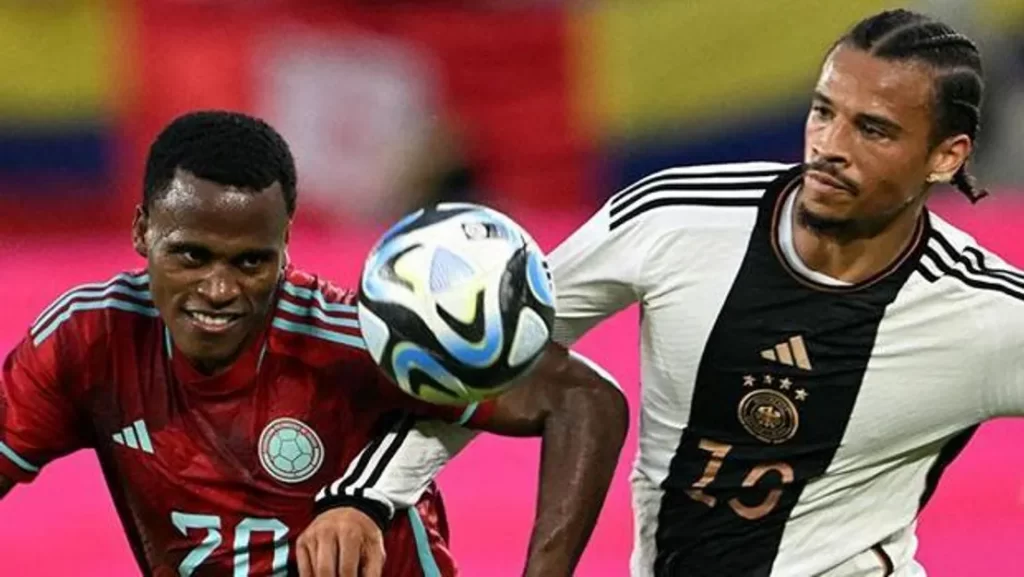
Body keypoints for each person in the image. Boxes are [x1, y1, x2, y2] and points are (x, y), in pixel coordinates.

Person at [332, 9, 1024, 576]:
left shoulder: (985, 314)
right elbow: (488, 351)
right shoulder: (676, 218)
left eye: (872, 129)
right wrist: (369, 496)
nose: (829, 145)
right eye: (823, 112)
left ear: (947, 156)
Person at [0, 110, 628, 576]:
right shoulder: (88, 340)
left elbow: (583, 400)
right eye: (190, 256)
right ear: (142, 232)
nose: (218, 289)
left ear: (286, 247)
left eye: (251, 262)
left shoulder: (355, 343)